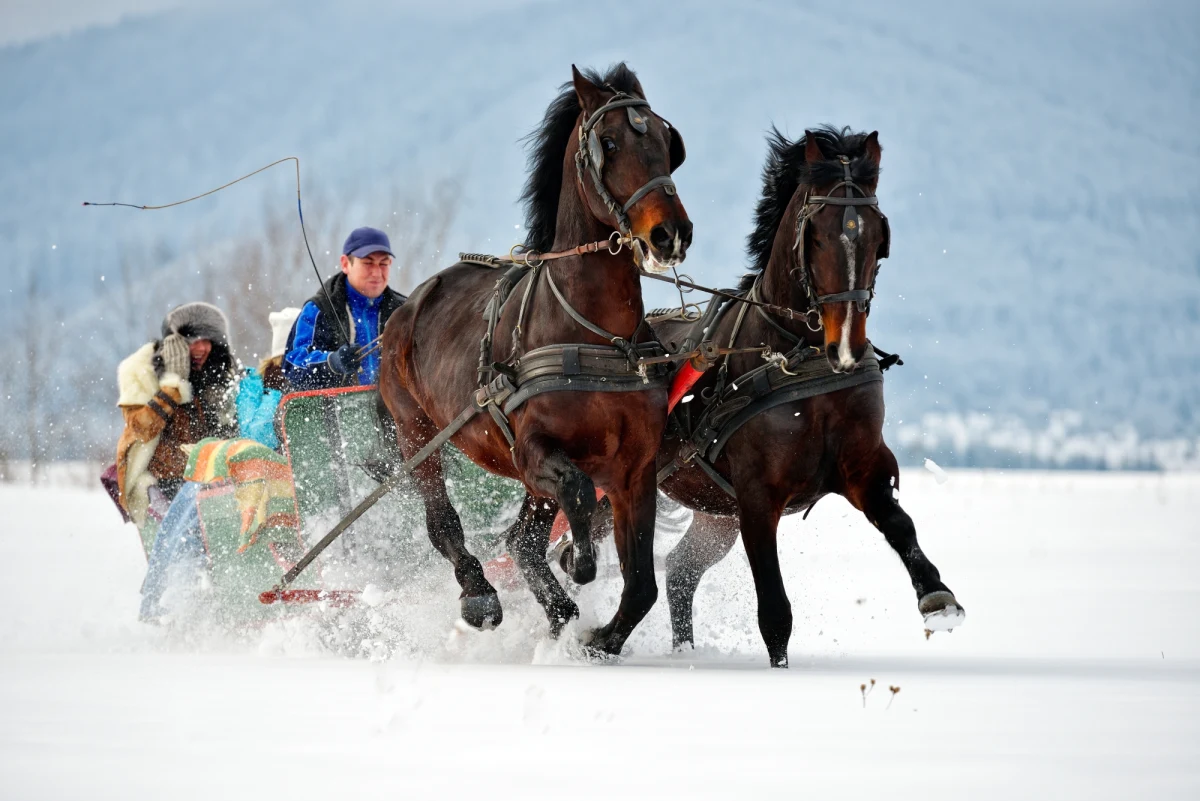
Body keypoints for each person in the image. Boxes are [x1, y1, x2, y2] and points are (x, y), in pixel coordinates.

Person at [114, 302, 239, 527]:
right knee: (192, 509)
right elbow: (140, 430)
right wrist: (173, 386)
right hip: (164, 479)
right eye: (193, 342)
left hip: (210, 475)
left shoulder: (215, 372)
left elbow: (227, 430)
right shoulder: (139, 371)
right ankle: (174, 564)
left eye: (206, 340)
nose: (201, 349)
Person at [283, 226, 407, 390]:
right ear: (345, 264)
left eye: (384, 263)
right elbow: (293, 366)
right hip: (332, 412)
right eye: (368, 263)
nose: (377, 273)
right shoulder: (319, 309)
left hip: (395, 413)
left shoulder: (404, 311)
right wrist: (333, 363)